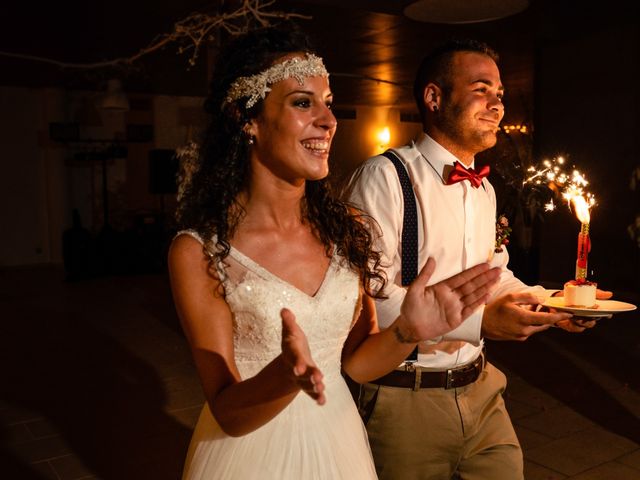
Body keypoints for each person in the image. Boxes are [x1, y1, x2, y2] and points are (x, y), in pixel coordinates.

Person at [168, 26, 501, 480]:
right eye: (303, 102)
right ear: (248, 120)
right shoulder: (201, 251)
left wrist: (408, 331)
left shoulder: (347, 230)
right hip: (251, 456)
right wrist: (284, 376)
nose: (328, 119)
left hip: (339, 440)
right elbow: (228, 412)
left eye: (328, 102)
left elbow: (358, 364)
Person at [344, 38, 612, 480]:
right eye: (481, 89)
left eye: (500, 95)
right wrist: (481, 323)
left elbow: (494, 275)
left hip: (482, 388)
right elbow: (364, 303)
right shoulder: (383, 177)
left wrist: (553, 303)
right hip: (403, 396)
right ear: (434, 97)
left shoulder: (483, 189)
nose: (497, 105)